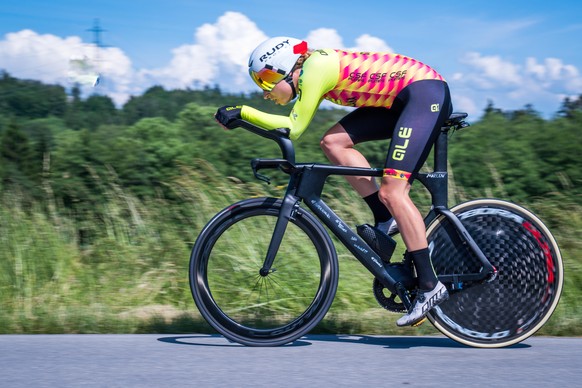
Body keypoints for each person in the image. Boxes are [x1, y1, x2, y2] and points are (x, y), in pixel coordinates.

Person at [215, 36, 452, 327]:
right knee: (333, 142)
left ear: (286, 67)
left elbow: (293, 127)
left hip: (423, 94)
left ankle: (429, 286)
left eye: (265, 79)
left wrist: (242, 112)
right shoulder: (316, 67)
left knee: (394, 192)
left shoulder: (315, 67)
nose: (264, 91)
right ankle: (384, 217)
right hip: (402, 100)